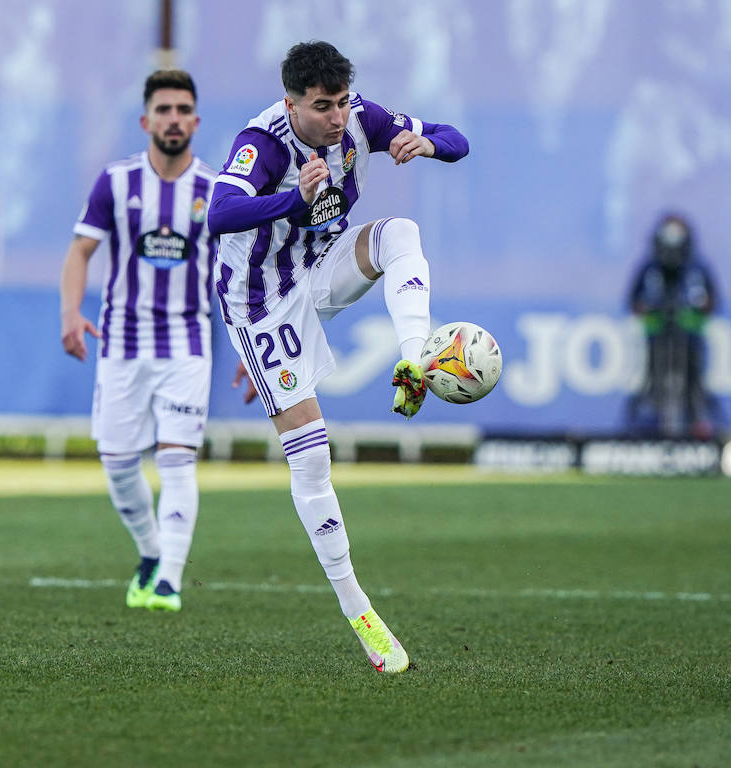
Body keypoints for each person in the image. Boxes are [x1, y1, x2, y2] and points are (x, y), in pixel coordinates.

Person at [207, 41, 468, 674]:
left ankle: (417, 360)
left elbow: (456, 137)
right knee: (314, 453)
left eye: (341, 102)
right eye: (320, 106)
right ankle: (359, 610)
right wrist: (290, 201)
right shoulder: (262, 142)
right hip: (261, 302)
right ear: (291, 101)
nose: (335, 117)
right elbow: (219, 213)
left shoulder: (359, 119)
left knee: (399, 233)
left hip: (319, 268)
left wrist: (425, 144)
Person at [59, 70, 218, 613]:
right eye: (164, 109)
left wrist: (248, 348)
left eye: (183, 109)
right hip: (122, 343)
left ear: (195, 120)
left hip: (187, 343)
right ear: (146, 120)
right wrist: (71, 312)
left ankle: (170, 580)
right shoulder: (116, 181)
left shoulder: (215, 191)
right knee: (118, 463)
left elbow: (235, 274)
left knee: (177, 460)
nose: (173, 119)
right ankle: (151, 552)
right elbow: (80, 251)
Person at [625, 214, 719, 439]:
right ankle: (650, 428)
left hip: (689, 337)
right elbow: (633, 300)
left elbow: (712, 301)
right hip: (657, 336)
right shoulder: (649, 268)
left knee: (693, 384)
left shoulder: (697, 267)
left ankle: (695, 425)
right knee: (653, 381)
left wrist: (694, 310)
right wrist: (650, 310)